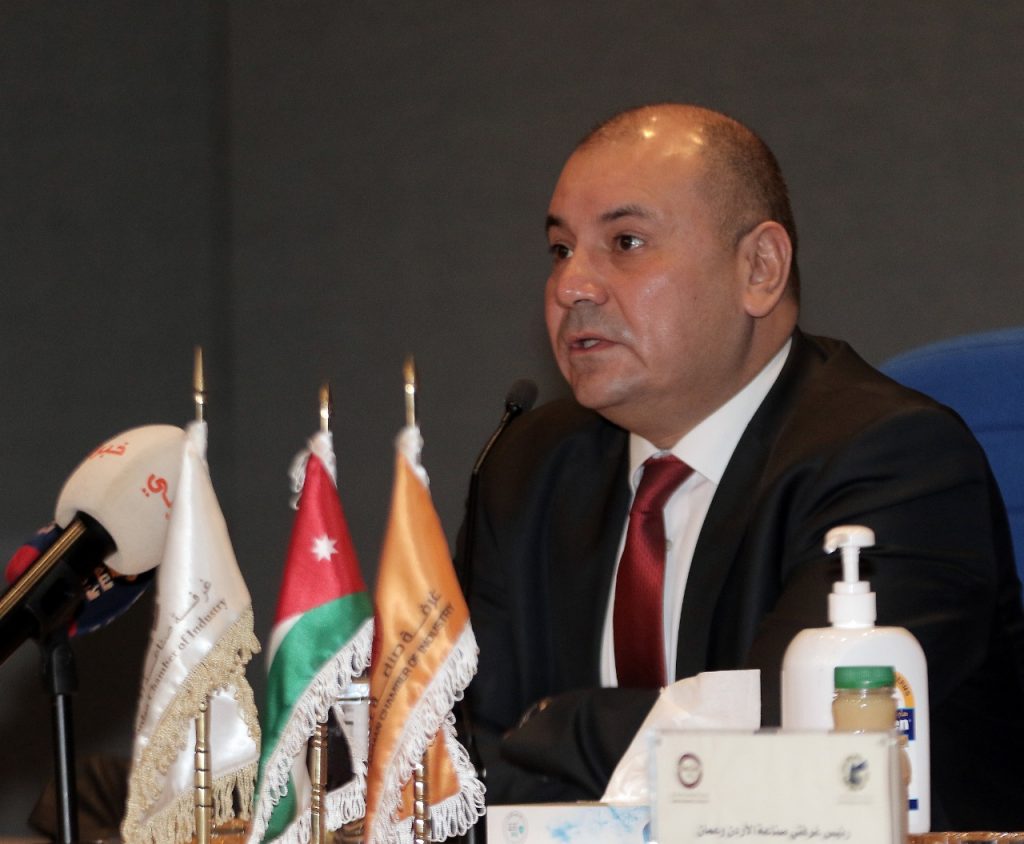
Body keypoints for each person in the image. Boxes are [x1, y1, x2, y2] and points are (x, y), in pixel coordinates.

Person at [455, 103, 1024, 831]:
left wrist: (560, 729)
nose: (573, 286)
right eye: (561, 250)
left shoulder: (896, 460)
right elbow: (452, 761)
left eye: (625, 242)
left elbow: (794, 752)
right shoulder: (528, 468)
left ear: (759, 269)